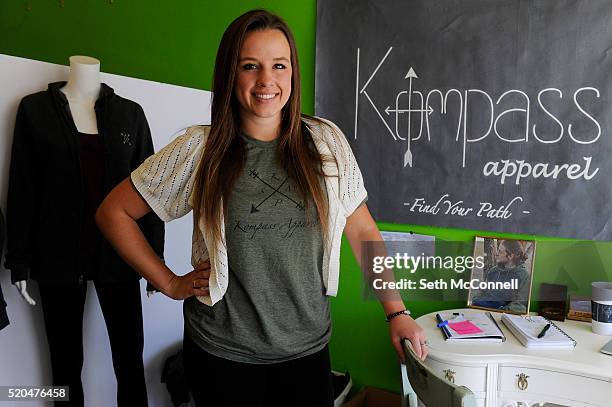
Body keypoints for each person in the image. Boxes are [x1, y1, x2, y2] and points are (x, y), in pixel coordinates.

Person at [95, 9, 426, 407]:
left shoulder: (325, 143)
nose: (266, 80)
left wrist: (397, 312)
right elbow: (113, 214)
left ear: (292, 73)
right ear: (230, 74)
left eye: (279, 65)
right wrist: (169, 283)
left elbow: (363, 233)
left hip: (306, 352)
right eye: (250, 66)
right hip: (222, 356)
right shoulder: (200, 151)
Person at [471, 239, 531, 313]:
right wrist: (475, 301)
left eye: (500, 252)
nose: (496, 254)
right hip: (482, 307)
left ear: (510, 256)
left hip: (502, 313)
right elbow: (482, 290)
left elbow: (520, 305)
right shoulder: (494, 270)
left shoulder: (523, 276)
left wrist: (498, 312)